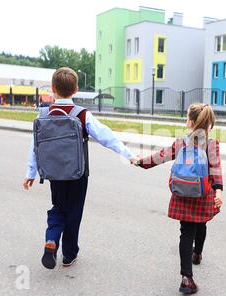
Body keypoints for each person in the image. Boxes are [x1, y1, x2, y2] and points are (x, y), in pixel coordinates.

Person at [23, 67, 140, 269]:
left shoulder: (43, 114)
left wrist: (30, 173)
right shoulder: (82, 115)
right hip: (78, 174)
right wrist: (128, 154)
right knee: (74, 213)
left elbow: (36, 147)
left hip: (54, 174)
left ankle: (51, 240)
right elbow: (106, 136)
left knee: (58, 208)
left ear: (52, 88)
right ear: (76, 89)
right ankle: (69, 255)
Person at [137, 103, 223, 294]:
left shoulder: (181, 143)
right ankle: (197, 254)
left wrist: (140, 162)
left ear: (190, 122)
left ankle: (187, 278)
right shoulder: (211, 144)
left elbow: (160, 157)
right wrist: (218, 191)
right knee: (201, 224)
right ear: (209, 123)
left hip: (183, 192)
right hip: (202, 193)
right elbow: (216, 168)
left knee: (186, 233)